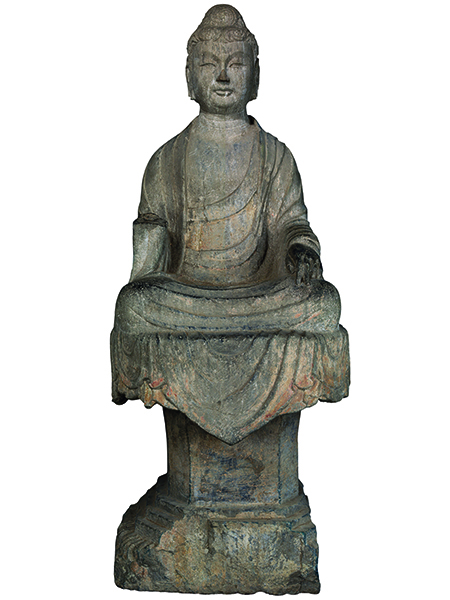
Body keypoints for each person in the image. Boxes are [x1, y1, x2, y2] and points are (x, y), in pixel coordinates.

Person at [111, 5, 349, 443]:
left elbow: (292, 224)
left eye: (236, 64)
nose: (223, 76)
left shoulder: (276, 156)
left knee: (323, 303)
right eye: (209, 65)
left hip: (258, 292)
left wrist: (301, 251)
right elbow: (149, 259)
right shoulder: (166, 160)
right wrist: (149, 248)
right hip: (188, 294)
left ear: (256, 77)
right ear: (189, 78)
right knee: (134, 305)